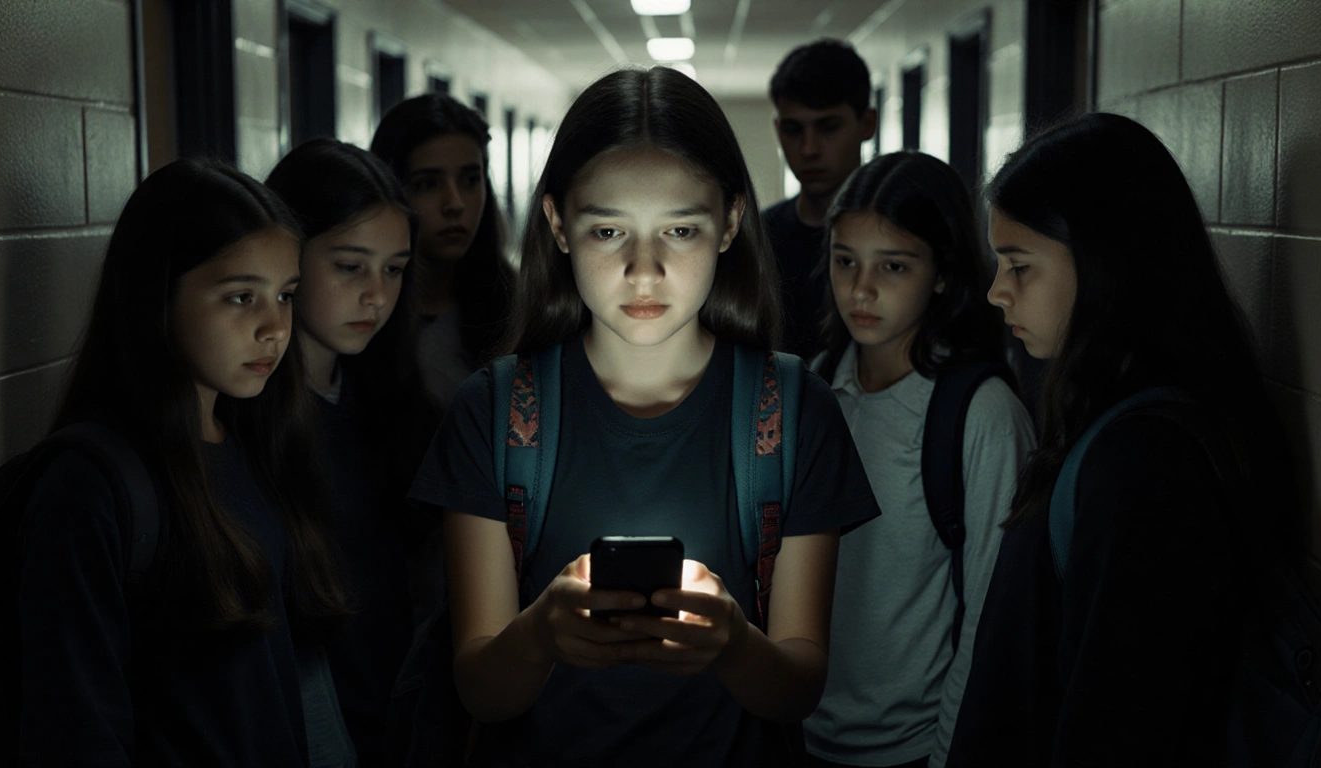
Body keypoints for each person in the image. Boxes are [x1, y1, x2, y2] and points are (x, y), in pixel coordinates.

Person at [409, 66, 880, 766]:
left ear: (730, 224)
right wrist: (541, 632)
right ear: (558, 226)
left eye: (680, 231)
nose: (644, 270)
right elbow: (480, 688)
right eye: (608, 233)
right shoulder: (497, 412)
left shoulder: (793, 412)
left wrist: (731, 643)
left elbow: (798, 686)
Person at [946, 112, 1298, 766]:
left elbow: (1124, 722)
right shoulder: (1106, 417)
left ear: (1106, 265)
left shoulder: (1143, 461)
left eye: (1020, 266)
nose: (997, 291)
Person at [15, 158, 351, 765]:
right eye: (241, 296)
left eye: (285, 295)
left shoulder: (259, 444)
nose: (275, 327)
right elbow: (73, 725)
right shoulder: (91, 485)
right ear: (157, 296)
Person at [805, 152, 1035, 768]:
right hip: (802, 736)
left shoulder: (979, 414)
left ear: (940, 273)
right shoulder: (815, 390)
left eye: (894, 266)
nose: (861, 289)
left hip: (915, 750)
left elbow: (992, 621)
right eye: (845, 260)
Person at [266, 138, 433, 767]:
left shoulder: (387, 402)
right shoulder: (248, 420)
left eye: (393, 269)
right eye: (349, 265)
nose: (376, 294)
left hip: (388, 714)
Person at [370, 93, 513, 414]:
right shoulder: (363, 315)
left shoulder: (518, 310)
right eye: (428, 184)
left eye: (470, 180)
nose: (455, 204)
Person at [764, 38, 878, 359]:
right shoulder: (758, 238)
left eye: (828, 127)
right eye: (793, 130)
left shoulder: (905, 237)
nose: (809, 149)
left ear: (867, 124)